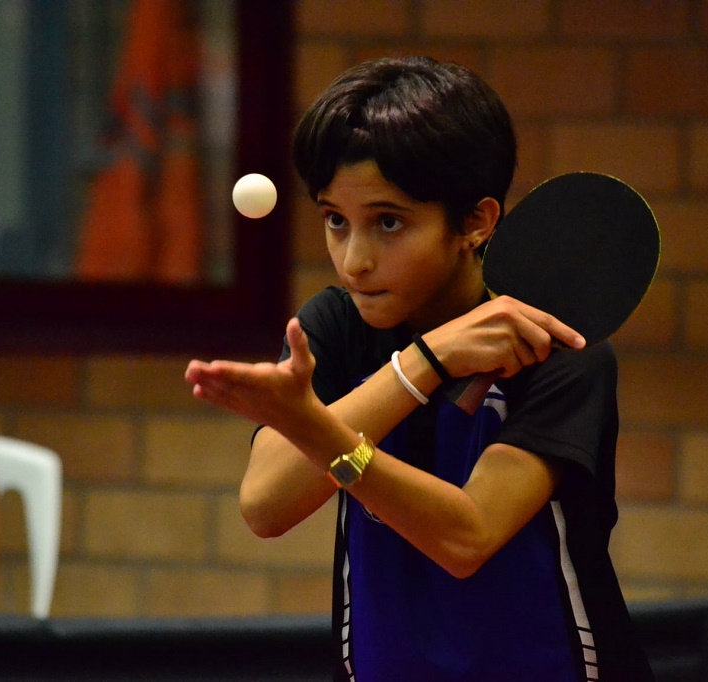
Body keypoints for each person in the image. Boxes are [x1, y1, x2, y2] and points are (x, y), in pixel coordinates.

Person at [185, 57, 653, 681]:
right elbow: (265, 507)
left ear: (476, 222)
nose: (354, 261)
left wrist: (318, 425)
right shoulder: (337, 325)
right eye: (335, 220)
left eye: (388, 222)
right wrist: (424, 365)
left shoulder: (560, 350)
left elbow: (467, 538)